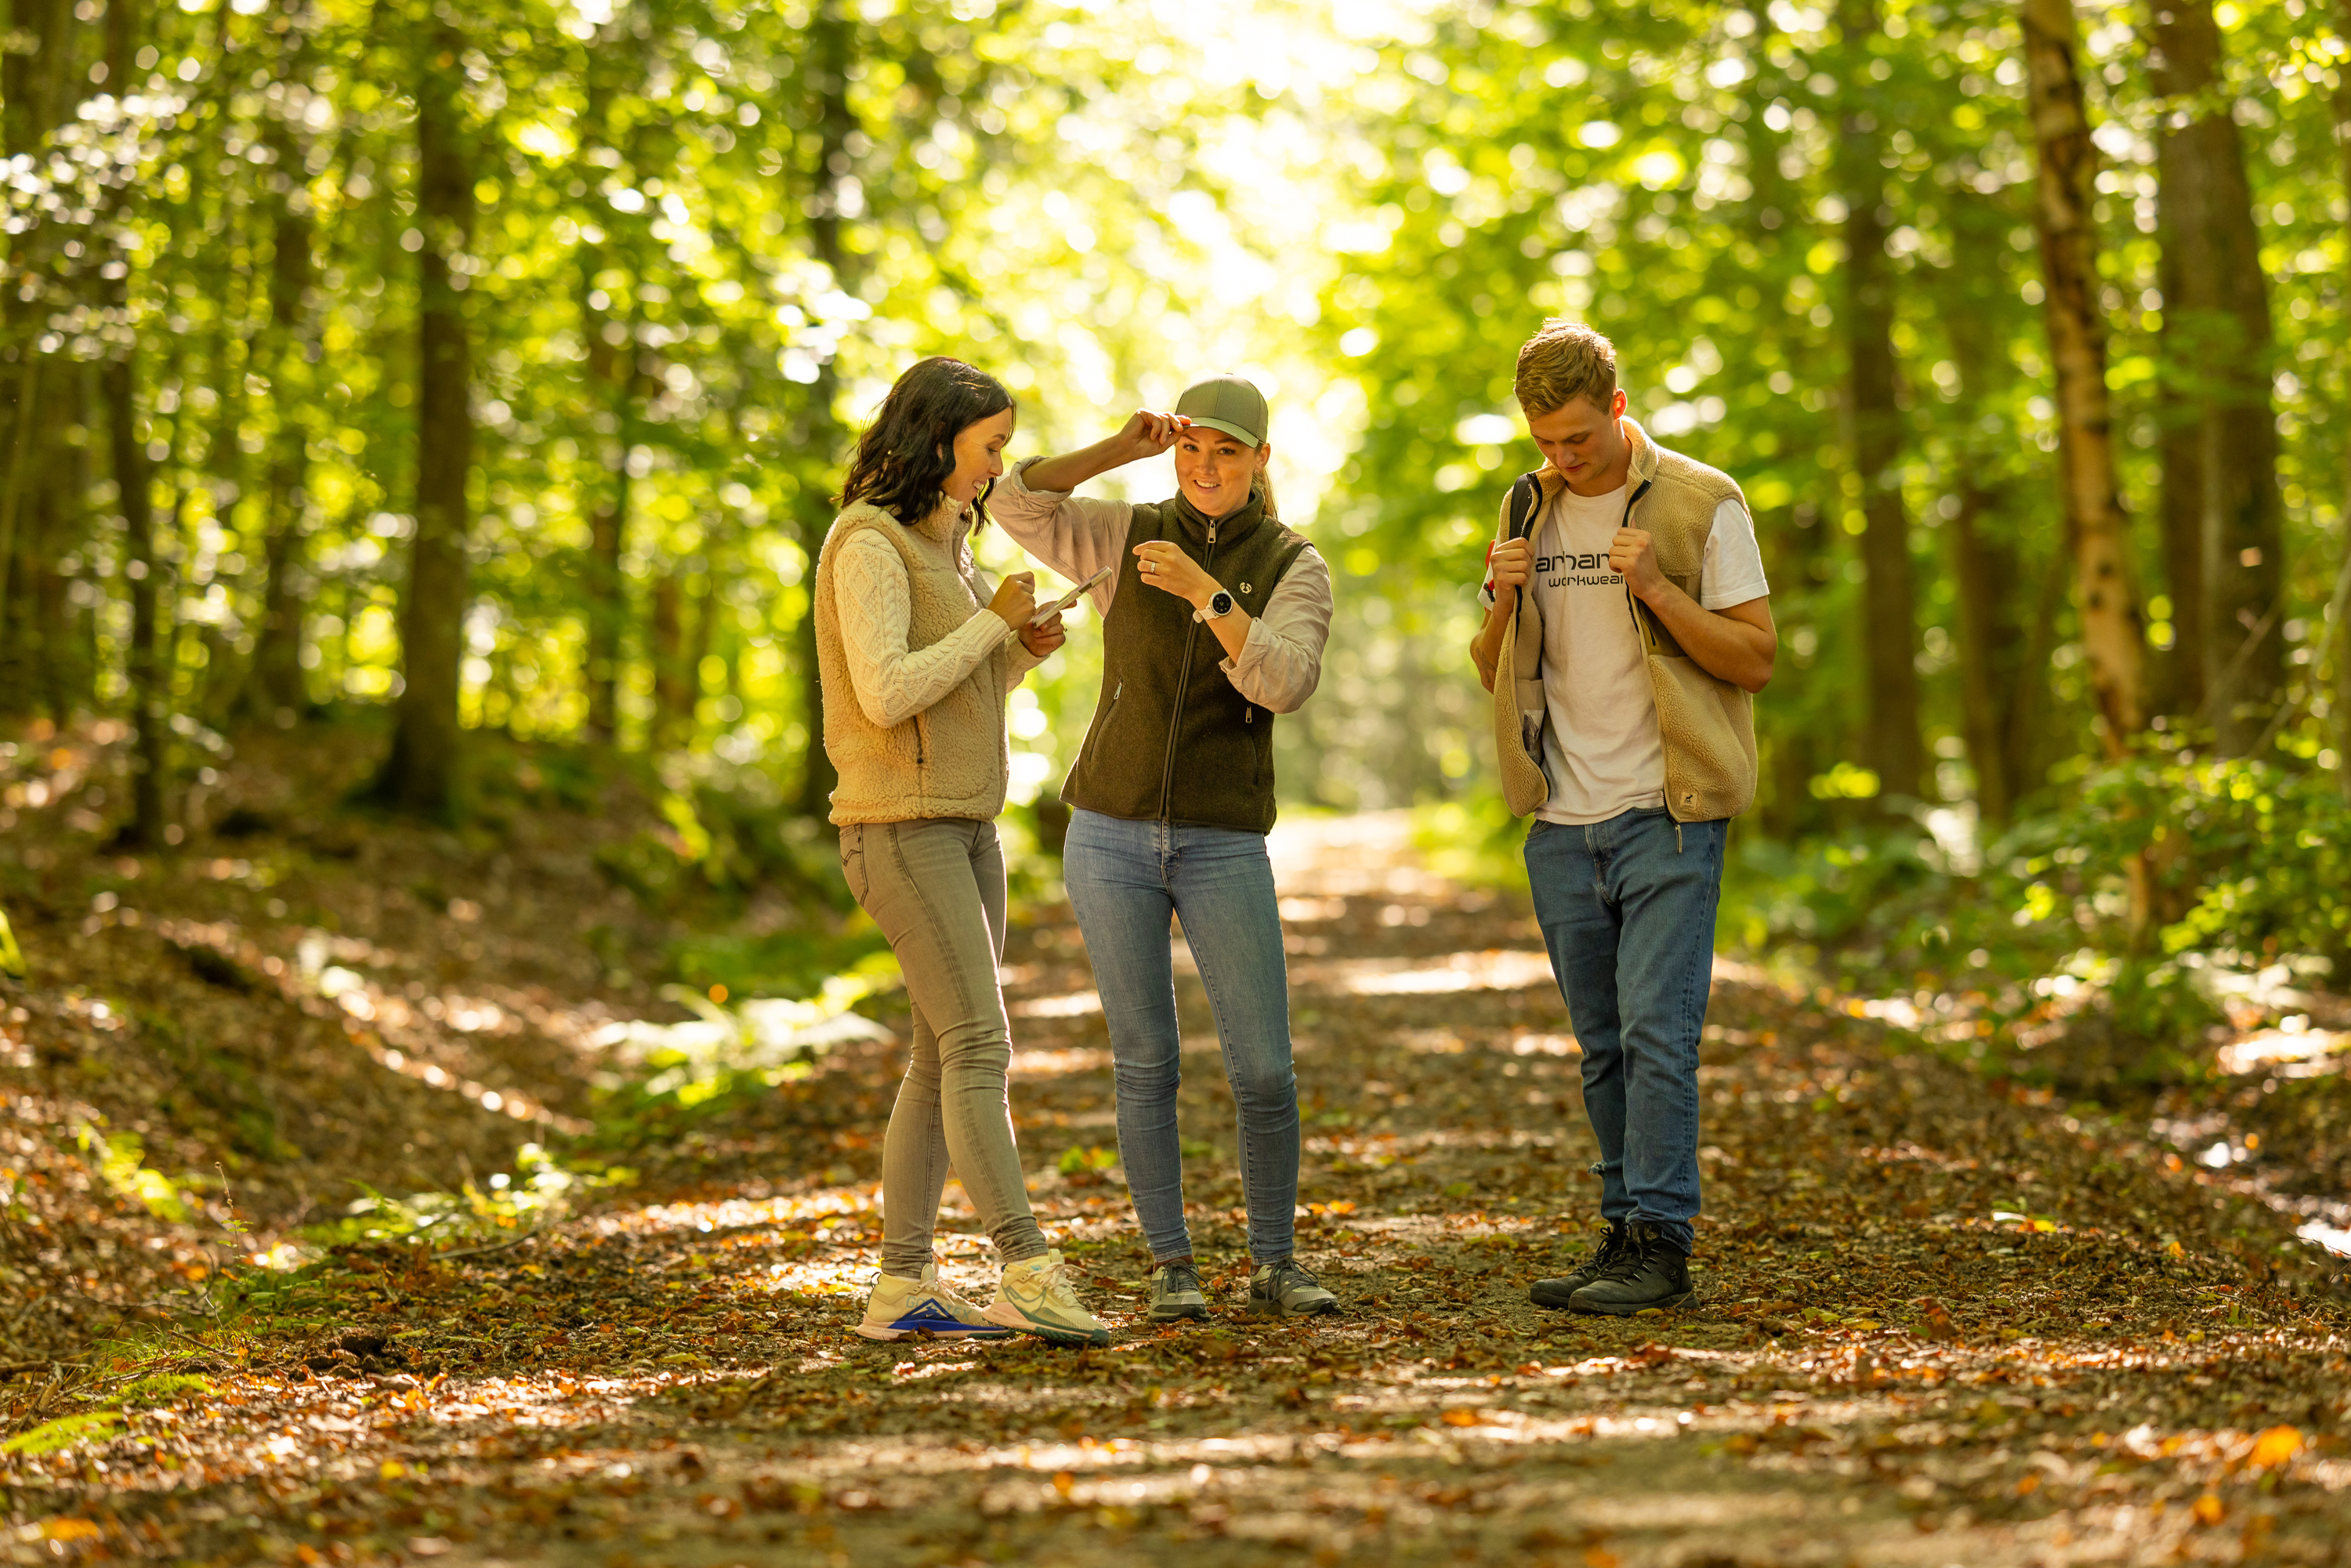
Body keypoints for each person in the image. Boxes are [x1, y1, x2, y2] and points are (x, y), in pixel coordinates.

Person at [991, 375, 1340, 1324]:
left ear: (1261, 460)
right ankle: (1171, 1263)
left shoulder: (1295, 564)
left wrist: (1209, 596)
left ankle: (1275, 1261)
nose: (1206, 469)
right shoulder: (1123, 530)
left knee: (1263, 1066)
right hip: (1108, 832)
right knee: (1147, 1061)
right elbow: (1010, 499)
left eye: (1226, 452)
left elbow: (1286, 683)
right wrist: (1116, 449)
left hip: (1225, 841)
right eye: (1192, 449)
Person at [1470, 320, 1775, 1316]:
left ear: (1618, 407)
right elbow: (1492, 669)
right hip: (1560, 817)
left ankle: (1663, 1242)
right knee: (1601, 1042)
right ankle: (1620, 1233)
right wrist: (1499, 608)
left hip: (1669, 809)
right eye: (1544, 441)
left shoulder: (1702, 502)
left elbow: (1754, 659)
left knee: (1658, 1034)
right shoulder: (1525, 503)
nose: (1562, 459)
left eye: (1578, 440)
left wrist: (1652, 588)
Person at [816, 355, 1108, 1347]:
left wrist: (1015, 655)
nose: (996, 469)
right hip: (898, 830)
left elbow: (956, 694)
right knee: (982, 1045)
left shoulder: (951, 543)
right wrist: (989, 629)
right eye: (989, 450)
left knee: (941, 1057)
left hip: (965, 824)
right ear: (937, 441)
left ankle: (902, 1288)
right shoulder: (867, 545)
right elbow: (886, 694)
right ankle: (1025, 1266)